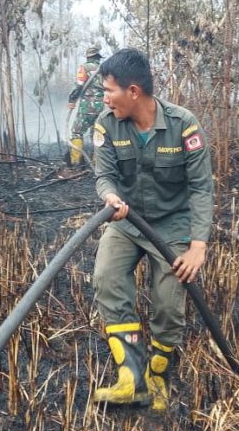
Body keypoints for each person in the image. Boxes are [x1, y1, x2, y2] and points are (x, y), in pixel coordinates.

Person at [90, 47, 214, 411]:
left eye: (109, 90)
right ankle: (132, 378)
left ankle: (158, 375)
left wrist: (198, 246)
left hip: (172, 225)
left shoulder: (183, 125)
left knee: (168, 301)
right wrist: (110, 196)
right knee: (106, 278)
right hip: (127, 222)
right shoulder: (106, 124)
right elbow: (104, 175)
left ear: (133, 91)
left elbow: (201, 187)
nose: (104, 98)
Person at [67, 45, 104, 166]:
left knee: (76, 132)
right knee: (98, 134)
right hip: (103, 107)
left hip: (87, 106)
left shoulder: (85, 68)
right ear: (98, 57)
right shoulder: (105, 70)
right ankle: (97, 164)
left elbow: (79, 85)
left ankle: (76, 163)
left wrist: (72, 100)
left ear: (88, 57)